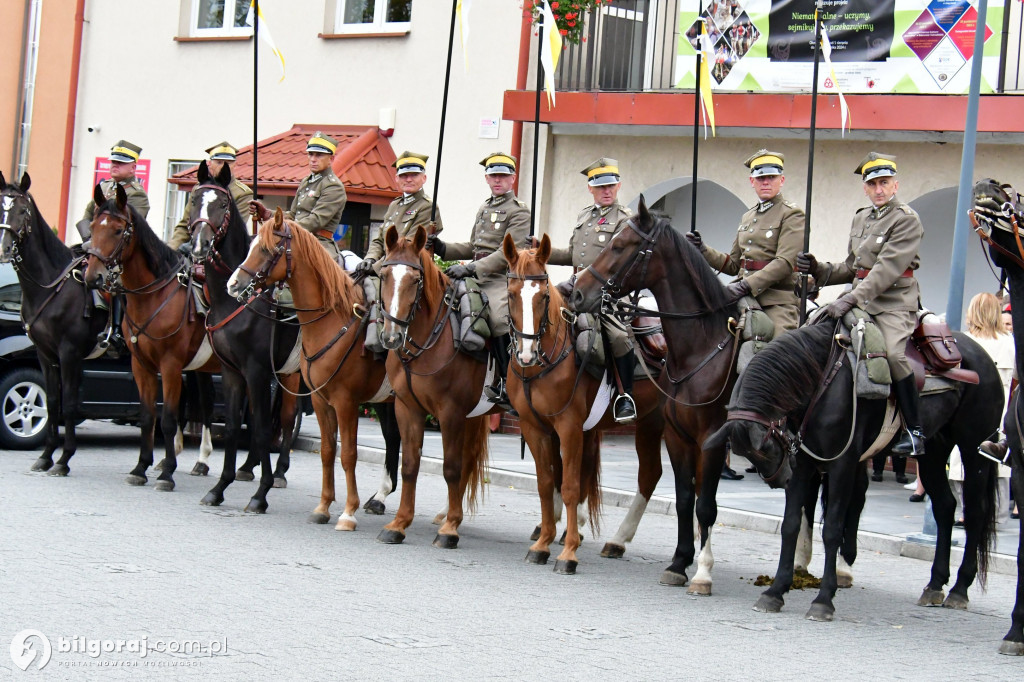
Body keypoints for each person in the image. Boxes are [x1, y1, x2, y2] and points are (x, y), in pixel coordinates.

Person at [797, 152, 926, 456]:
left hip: (893, 303)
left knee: (893, 354)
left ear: (895, 185)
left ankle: (915, 430)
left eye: (884, 183)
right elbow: (853, 267)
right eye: (873, 184)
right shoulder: (861, 217)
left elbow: (886, 270)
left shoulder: (906, 219)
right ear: (865, 189)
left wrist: (850, 298)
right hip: (860, 302)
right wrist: (818, 269)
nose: (879, 189)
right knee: (809, 335)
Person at [427, 152, 531, 407]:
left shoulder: (519, 212)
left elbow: (508, 253)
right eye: (494, 176)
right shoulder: (485, 207)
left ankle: (508, 382)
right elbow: (474, 246)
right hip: (475, 272)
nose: (498, 180)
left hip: (499, 278)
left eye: (503, 176)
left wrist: (472, 268)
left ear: (513, 179)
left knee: (498, 319)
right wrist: (443, 248)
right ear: (486, 178)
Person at [548, 158, 637, 423]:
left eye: (611, 185)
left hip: (607, 296)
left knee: (619, 337)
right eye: (600, 187)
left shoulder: (625, 220)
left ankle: (624, 396)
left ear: (618, 185)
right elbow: (574, 255)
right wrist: (542, 250)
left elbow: (616, 263)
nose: (606, 191)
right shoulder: (584, 215)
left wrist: (581, 283)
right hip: (576, 292)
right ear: (591, 189)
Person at [687, 149, 805, 337]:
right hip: (742, 297)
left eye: (771, 177)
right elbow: (733, 265)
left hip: (775, 301)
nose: (765, 182)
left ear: (781, 180)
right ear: (752, 181)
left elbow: (784, 263)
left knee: (778, 352)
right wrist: (702, 249)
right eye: (760, 178)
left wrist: (746, 285)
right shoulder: (748, 216)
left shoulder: (791, 214)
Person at [77, 140, 150, 358]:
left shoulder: (137, 195)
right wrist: (91, 241)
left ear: (133, 168)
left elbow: (131, 228)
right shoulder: (104, 187)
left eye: (121, 162)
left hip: (123, 252)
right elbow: (87, 217)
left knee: (116, 281)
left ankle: (116, 331)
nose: (114, 166)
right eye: (113, 162)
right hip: (96, 246)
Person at [949, 293, 1015, 524]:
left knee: (960, 461)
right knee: (999, 461)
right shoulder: (1010, 342)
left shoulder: (963, 341)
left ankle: (962, 511)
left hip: (966, 409)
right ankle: (997, 515)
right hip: (1001, 408)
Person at [250, 131, 347, 260]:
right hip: (294, 238)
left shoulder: (333, 186)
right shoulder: (306, 181)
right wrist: (268, 214)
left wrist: (284, 228)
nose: (313, 159)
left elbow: (315, 221)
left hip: (319, 243)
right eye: (310, 154)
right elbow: (293, 215)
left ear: (331, 159)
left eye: (319, 155)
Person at [356, 151, 443, 277]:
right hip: (386, 267)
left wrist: (375, 268)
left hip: (409, 273)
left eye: (414, 175)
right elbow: (380, 239)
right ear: (396, 178)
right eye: (404, 176)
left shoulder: (427, 206)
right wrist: (370, 259)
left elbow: (407, 247)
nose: (408, 179)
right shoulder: (395, 205)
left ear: (424, 178)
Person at [168, 142, 253, 252]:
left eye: (228, 163)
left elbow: (233, 230)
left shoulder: (242, 193)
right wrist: (170, 250)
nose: (223, 166)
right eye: (218, 162)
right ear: (210, 163)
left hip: (224, 254)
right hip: (194, 245)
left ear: (234, 165)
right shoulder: (199, 190)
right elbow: (185, 225)